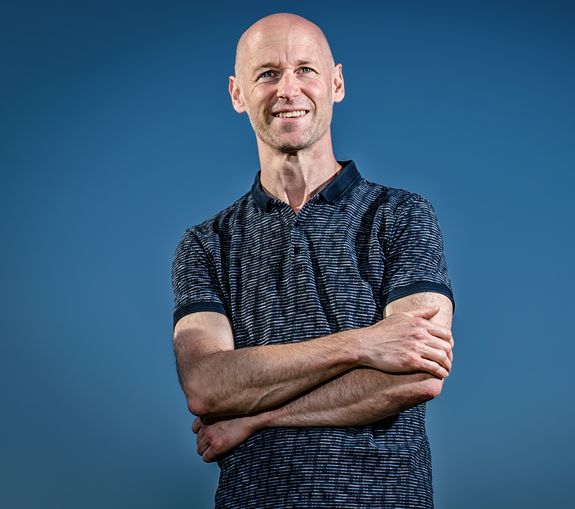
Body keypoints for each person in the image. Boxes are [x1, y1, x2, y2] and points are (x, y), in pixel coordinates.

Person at [171, 12, 456, 509]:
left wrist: (256, 416)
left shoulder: (402, 215)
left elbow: (418, 373)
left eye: (305, 69)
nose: (288, 89)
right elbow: (206, 385)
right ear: (238, 94)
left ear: (336, 83)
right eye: (268, 73)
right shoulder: (206, 244)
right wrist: (364, 344)